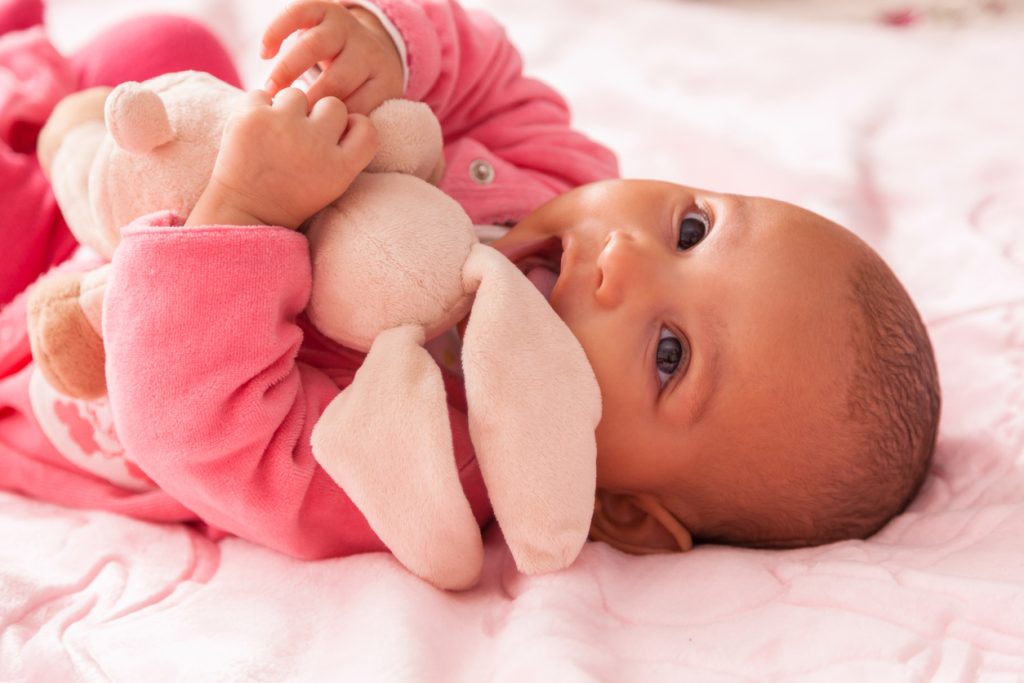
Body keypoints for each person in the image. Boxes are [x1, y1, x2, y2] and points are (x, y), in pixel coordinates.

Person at [0, 0, 940, 560]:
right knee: (161, 50)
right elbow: (490, 73)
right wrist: (383, 46)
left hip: (52, 333)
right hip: (128, 182)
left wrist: (246, 206)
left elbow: (206, 429)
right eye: (690, 228)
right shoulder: (560, 178)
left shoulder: (430, 466)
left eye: (669, 351)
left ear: (621, 510)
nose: (625, 259)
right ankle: (43, 97)